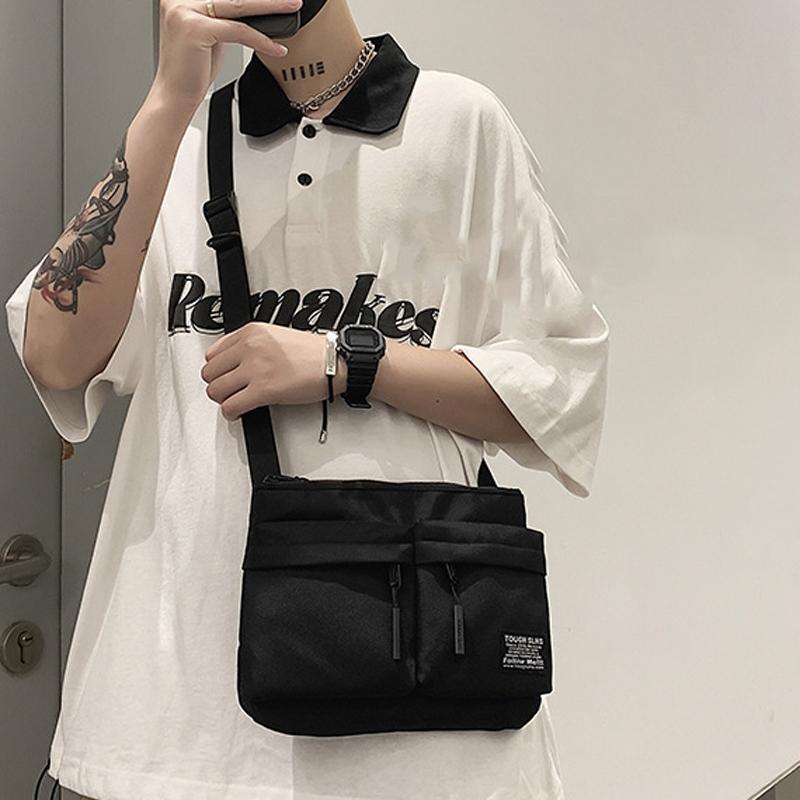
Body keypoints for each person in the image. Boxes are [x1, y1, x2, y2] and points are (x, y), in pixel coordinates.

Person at [6, 0, 610, 798]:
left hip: (423, 729)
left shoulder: (459, 124)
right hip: (173, 727)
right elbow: (54, 357)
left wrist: (346, 361)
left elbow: (558, 390)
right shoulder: (179, 142)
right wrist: (167, 101)